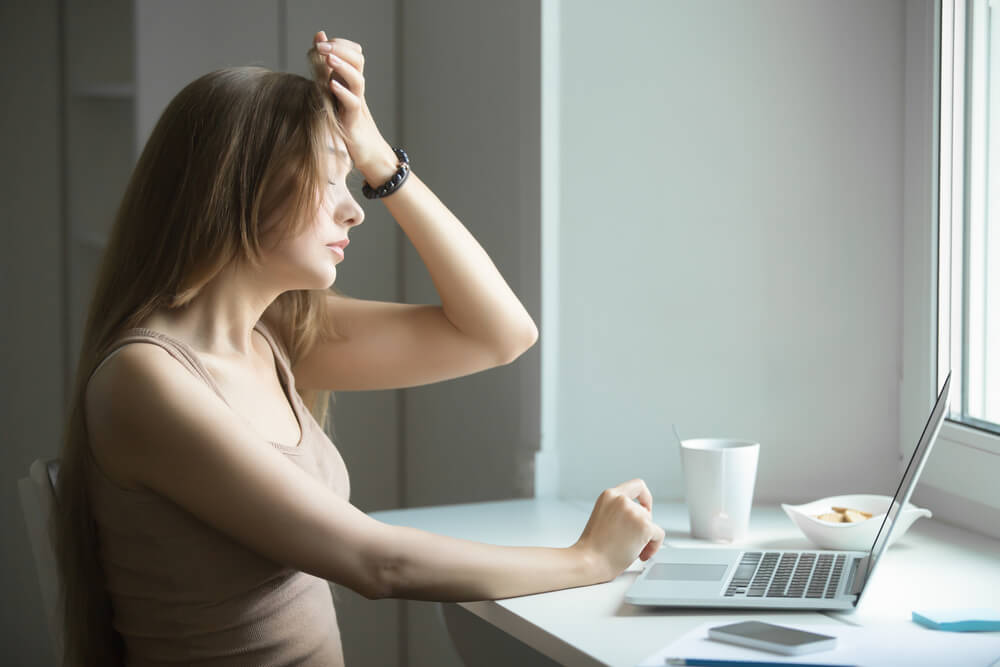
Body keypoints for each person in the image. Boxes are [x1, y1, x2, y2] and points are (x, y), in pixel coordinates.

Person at [53, 30, 665, 666]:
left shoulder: (273, 336)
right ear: (241, 190)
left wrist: (375, 155)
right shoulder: (144, 378)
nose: (355, 211)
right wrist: (586, 560)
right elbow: (378, 563)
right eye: (328, 178)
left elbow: (502, 334)